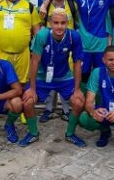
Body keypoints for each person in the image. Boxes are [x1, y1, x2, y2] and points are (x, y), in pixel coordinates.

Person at [25, 9, 86, 146]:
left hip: (64, 77)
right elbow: (34, 62)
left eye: (63, 23)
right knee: (28, 101)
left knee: (78, 102)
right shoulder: (42, 35)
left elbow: (77, 64)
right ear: (50, 23)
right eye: (56, 23)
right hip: (43, 77)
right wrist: (32, 88)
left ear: (67, 23)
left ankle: (70, 134)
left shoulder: (73, 36)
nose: (59, 26)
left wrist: (76, 89)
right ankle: (33, 133)